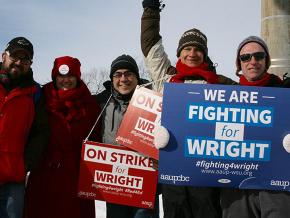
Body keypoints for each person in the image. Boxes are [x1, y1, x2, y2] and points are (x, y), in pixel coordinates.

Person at [141, 1, 236, 218]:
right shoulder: (166, 77)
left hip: (206, 169)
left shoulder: (222, 84)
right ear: (180, 52)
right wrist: (151, 11)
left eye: (198, 49)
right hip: (172, 166)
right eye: (187, 48)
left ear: (204, 54)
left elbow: (255, 99)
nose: (192, 53)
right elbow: (150, 45)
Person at [220, 36, 290, 218]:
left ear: (266, 60)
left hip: (277, 184)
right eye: (246, 57)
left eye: (258, 56)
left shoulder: (285, 93)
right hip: (236, 185)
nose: (253, 61)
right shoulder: (225, 97)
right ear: (239, 64)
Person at [24, 56, 101, 218]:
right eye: (61, 76)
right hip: (44, 176)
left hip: (77, 178)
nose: (66, 80)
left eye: (70, 76)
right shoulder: (40, 99)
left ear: (77, 77)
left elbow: (98, 140)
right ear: (54, 77)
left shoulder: (90, 104)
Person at [95, 54, 159, 218]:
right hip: (115, 183)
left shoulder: (155, 100)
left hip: (145, 182)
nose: (123, 79)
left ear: (137, 77)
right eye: (118, 74)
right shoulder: (101, 101)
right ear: (112, 78)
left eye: (128, 73)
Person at [0, 37, 49, 218]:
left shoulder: (35, 93)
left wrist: (26, 163)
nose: (19, 62)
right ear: (4, 55)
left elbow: (41, 132)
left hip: (13, 178)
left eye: (25, 59)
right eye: (15, 56)